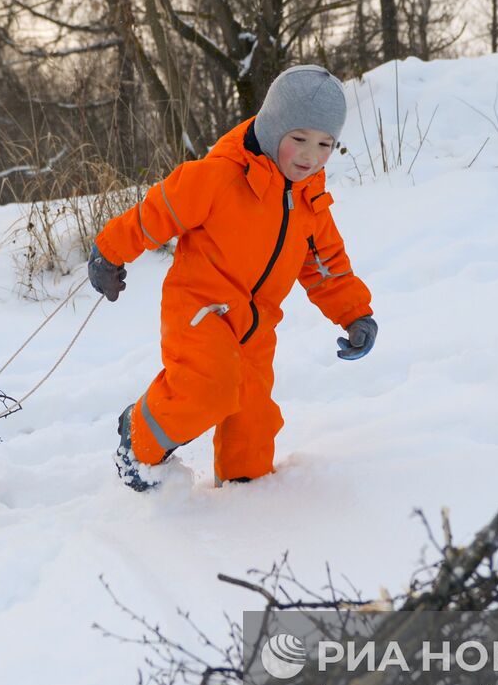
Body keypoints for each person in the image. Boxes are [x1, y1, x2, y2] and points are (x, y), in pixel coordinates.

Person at [88, 65, 377, 491]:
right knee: (207, 389)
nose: (310, 156)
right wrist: (109, 253)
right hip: (200, 308)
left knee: (254, 427)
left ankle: (246, 498)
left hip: (257, 327)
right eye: (299, 139)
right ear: (273, 125)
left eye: (324, 144)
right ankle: (139, 439)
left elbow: (325, 264)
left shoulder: (309, 196)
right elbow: (156, 212)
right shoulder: (219, 175)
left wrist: (355, 315)